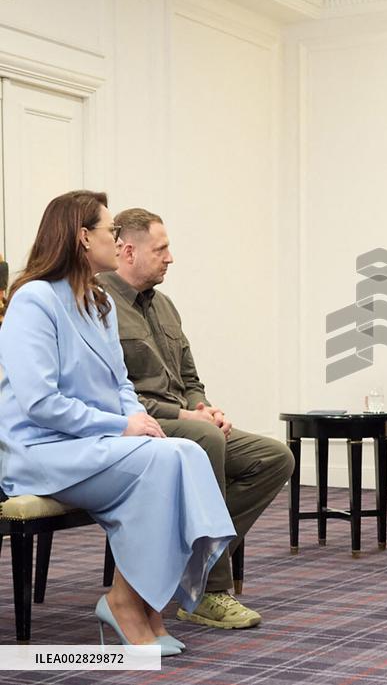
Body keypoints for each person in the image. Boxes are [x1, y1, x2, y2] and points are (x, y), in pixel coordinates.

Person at [0, 190, 235, 654]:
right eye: (110, 230)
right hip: (41, 450)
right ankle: (127, 602)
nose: (116, 239)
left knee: (183, 450)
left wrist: (138, 418)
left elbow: (121, 384)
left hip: (90, 443)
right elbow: (40, 402)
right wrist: (120, 428)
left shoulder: (98, 302)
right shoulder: (34, 301)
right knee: (160, 464)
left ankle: (143, 602)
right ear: (83, 238)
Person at [96, 208, 294, 630]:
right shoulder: (98, 304)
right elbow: (109, 392)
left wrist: (204, 407)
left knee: (275, 457)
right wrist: (187, 416)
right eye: (162, 248)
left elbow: (189, 377)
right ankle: (208, 593)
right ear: (128, 251)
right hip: (136, 425)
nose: (171, 257)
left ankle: (184, 561)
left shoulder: (165, 306)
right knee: (207, 441)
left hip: (185, 419)